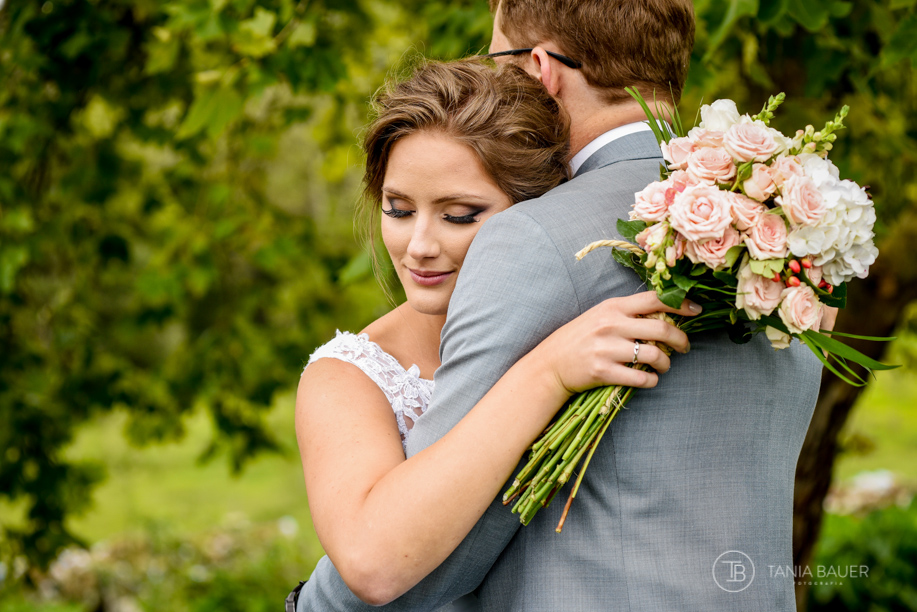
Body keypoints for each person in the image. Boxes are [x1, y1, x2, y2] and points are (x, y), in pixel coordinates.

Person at [296, 0, 826, 611]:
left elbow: (417, 565)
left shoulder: (536, 238)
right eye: (399, 208)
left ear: (542, 68)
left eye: (499, 60)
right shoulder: (781, 233)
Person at [289, 58, 698, 611]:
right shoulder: (348, 377)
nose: (419, 246)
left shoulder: (593, 306)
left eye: (459, 215)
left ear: (536, 211)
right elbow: (369, 567)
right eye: (399, 209)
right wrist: (546, 374)